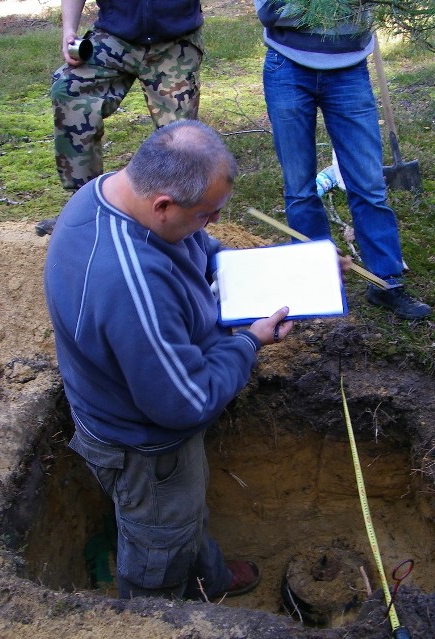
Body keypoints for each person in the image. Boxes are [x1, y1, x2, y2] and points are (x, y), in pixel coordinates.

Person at [44, 120, 293, 600]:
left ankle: (208, 579)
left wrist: (294, 270)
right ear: (163, 206)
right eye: (207, 215)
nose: (213, 225)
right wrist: (248, 343)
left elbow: (199, 247)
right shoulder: (131, 283)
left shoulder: (116, 193)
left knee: (183, 513)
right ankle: (156, 615)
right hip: (143, 447)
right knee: (159, 541)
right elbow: (185, 403)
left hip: (147, 411)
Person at [254, 1, 432, 320]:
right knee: (299, 186)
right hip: (287, 67)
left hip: (350, 68)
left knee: (368, 184)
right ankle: (317, 282)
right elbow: (272, 11)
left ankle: (387, 283)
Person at [36, 0, 205, 236]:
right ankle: (85, 209)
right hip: (115, 37)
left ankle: (172, 220)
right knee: (70, 89)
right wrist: (69, 30)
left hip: (176, 40)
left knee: (179, 137)